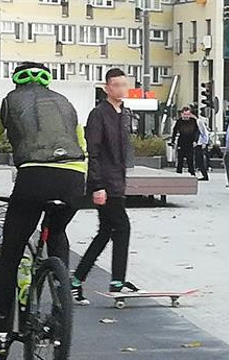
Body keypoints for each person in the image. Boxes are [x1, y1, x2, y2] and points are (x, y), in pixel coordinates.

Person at [0, 62, 87, 357]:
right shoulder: (66, 104)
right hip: (74, 179)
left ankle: (0, 333)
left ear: (17, 82)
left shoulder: (9, 102)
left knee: (11, 252)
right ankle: (59, 308)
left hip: (33, 179)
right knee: (57, 231)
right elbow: (83, 147)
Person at [71, 67, 138, 307]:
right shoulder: (98, 114)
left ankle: (76, 281)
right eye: (116, 85)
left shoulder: (125, 113)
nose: (121, 89)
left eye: (124, 84)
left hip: (118, 181)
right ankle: (117, 282)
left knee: (105, 232)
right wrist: (97, 185)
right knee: (123, 228)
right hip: (105, 183)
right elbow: (93, 152)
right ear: (106, 88)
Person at [171, 107, 200, 175]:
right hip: (182, 142)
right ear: (182, 114)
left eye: (188, 114)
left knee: (190, 159)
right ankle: (179, 172)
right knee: (180, 158)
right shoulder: (179, 121)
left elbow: (197, 132)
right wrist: (173, 141)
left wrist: (196, 140)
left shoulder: (193, 121)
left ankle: (192, 172)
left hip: (190, 142)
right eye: (185, 114)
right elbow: (175, 131)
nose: (186, 116)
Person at [195, 114, 210, 181]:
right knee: (198, 160)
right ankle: (203, 174)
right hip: (198, 144)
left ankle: (205, 175)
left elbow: (204, 132)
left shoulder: (198, 122)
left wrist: (204, 143)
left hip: (200, 144)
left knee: (200, 160)